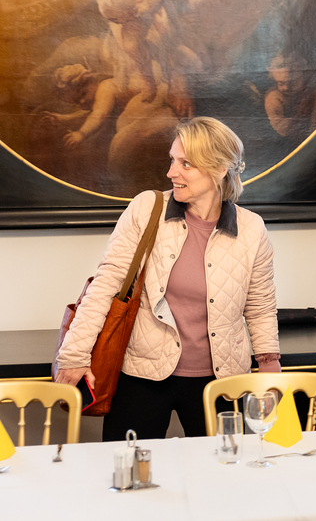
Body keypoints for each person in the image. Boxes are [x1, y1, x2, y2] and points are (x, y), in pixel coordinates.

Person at [55, 117, 281, 440]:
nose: (171, 172)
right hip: (142, 374)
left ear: (220, 169)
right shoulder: (147, 208)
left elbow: (259, 306)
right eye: (173, 160)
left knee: (223, 469)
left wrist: (269, 364)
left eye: (185, 164)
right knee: (130, 468)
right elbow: (106, 284)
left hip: (222, 381)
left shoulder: (252, 229)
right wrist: (74, 355)